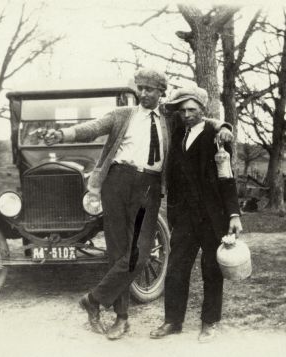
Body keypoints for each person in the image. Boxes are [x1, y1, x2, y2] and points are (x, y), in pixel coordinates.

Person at [44, 69, 232, 340]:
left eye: (150, 89)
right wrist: (63, 135)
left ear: (161, 93)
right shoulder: (123, 115)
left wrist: (223, 126)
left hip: (148, 187)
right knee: (118, 252)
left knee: (139, 253)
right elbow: (94, 127)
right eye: (140, 88)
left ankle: (94, 300)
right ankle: (121, 319)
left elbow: (202, 117)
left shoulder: (171, 118)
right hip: (117, 182)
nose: (143, 93)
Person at [149, 85, 243, 342]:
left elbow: (227, 179)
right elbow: (164, 110)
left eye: (192, 109)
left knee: (211, 270)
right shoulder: (178, 132)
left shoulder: (217, 137)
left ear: (203, 110)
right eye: (183, 110)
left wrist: (234, 215)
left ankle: (209, 322)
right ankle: (172, 321)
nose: (187, 114)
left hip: (213, 217)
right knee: (176, 269)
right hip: (184, 218)